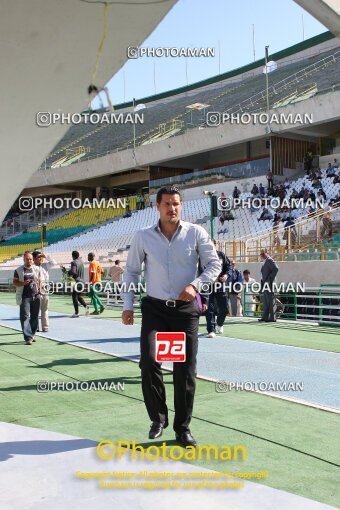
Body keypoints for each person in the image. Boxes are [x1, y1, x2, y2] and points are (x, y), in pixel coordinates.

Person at [121, 185, 221, 447]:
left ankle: (182, 428)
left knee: (184, 370)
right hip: (155, 309)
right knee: (150, 361)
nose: (172, 208)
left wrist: (196, 285)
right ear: (157, 206)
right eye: (167, 203)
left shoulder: (195, 232)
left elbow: (214, 264)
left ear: (181, 206)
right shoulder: (143, 236)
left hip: (185, 312)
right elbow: (131, 271)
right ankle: (158, 418)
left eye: (176, 203)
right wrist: (128, 305)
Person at [13, 251, 40, 345]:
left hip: (36, 296)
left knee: (35, 317)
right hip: (24, 297)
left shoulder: (36, 269)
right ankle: (28, 337)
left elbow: (40, 281)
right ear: (23, 259)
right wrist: (22, 283)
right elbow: (15, 283)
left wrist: (40, 291)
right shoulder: (18, 270)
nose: (29, 260)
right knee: (24, 317)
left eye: (30, 259)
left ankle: (32, 334)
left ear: (33, 260)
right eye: (27, 259)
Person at [205, 240, 232, 338]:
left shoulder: (221, 255)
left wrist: (226, 275)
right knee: (209, 309)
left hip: (220, 285)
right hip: (208, 285)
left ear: (216, 245)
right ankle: (211, 330)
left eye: (214, 244)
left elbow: (229, 267)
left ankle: (220, 323)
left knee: (224, 308)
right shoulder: (204, 256)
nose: (212, 246)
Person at [32, 250, 55, 332]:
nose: (40, 258)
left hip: (45, 289)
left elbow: (54, 263)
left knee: (45, 309)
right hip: (36, 289)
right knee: (35, 310)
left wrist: (46, 256)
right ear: (34, 259)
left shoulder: (45, 265)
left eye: (41, 257)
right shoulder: (32, 267)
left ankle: (45, 327)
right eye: (38, 257)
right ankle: (36, 327)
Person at [61, 251, 89, 318]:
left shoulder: (73, 262)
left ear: (73, 256)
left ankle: (76, 313)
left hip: (76, 282)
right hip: (82, 281)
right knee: (78, 296)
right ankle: (86, 306)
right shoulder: (81, 262)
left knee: (74, 297)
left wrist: (65, 271)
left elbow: (73, 271)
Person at [259, 249, 279, 323]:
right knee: (266, 301)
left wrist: (269, 279)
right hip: (265, 284)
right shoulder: (265, 261)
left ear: (267, 253)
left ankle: (272, 318)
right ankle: (265, 317)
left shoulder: (269, 260)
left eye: (263, 254)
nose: (262, 255)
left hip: (269, 284)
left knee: (271, 300)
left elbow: (276, 268)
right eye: (261, 254)